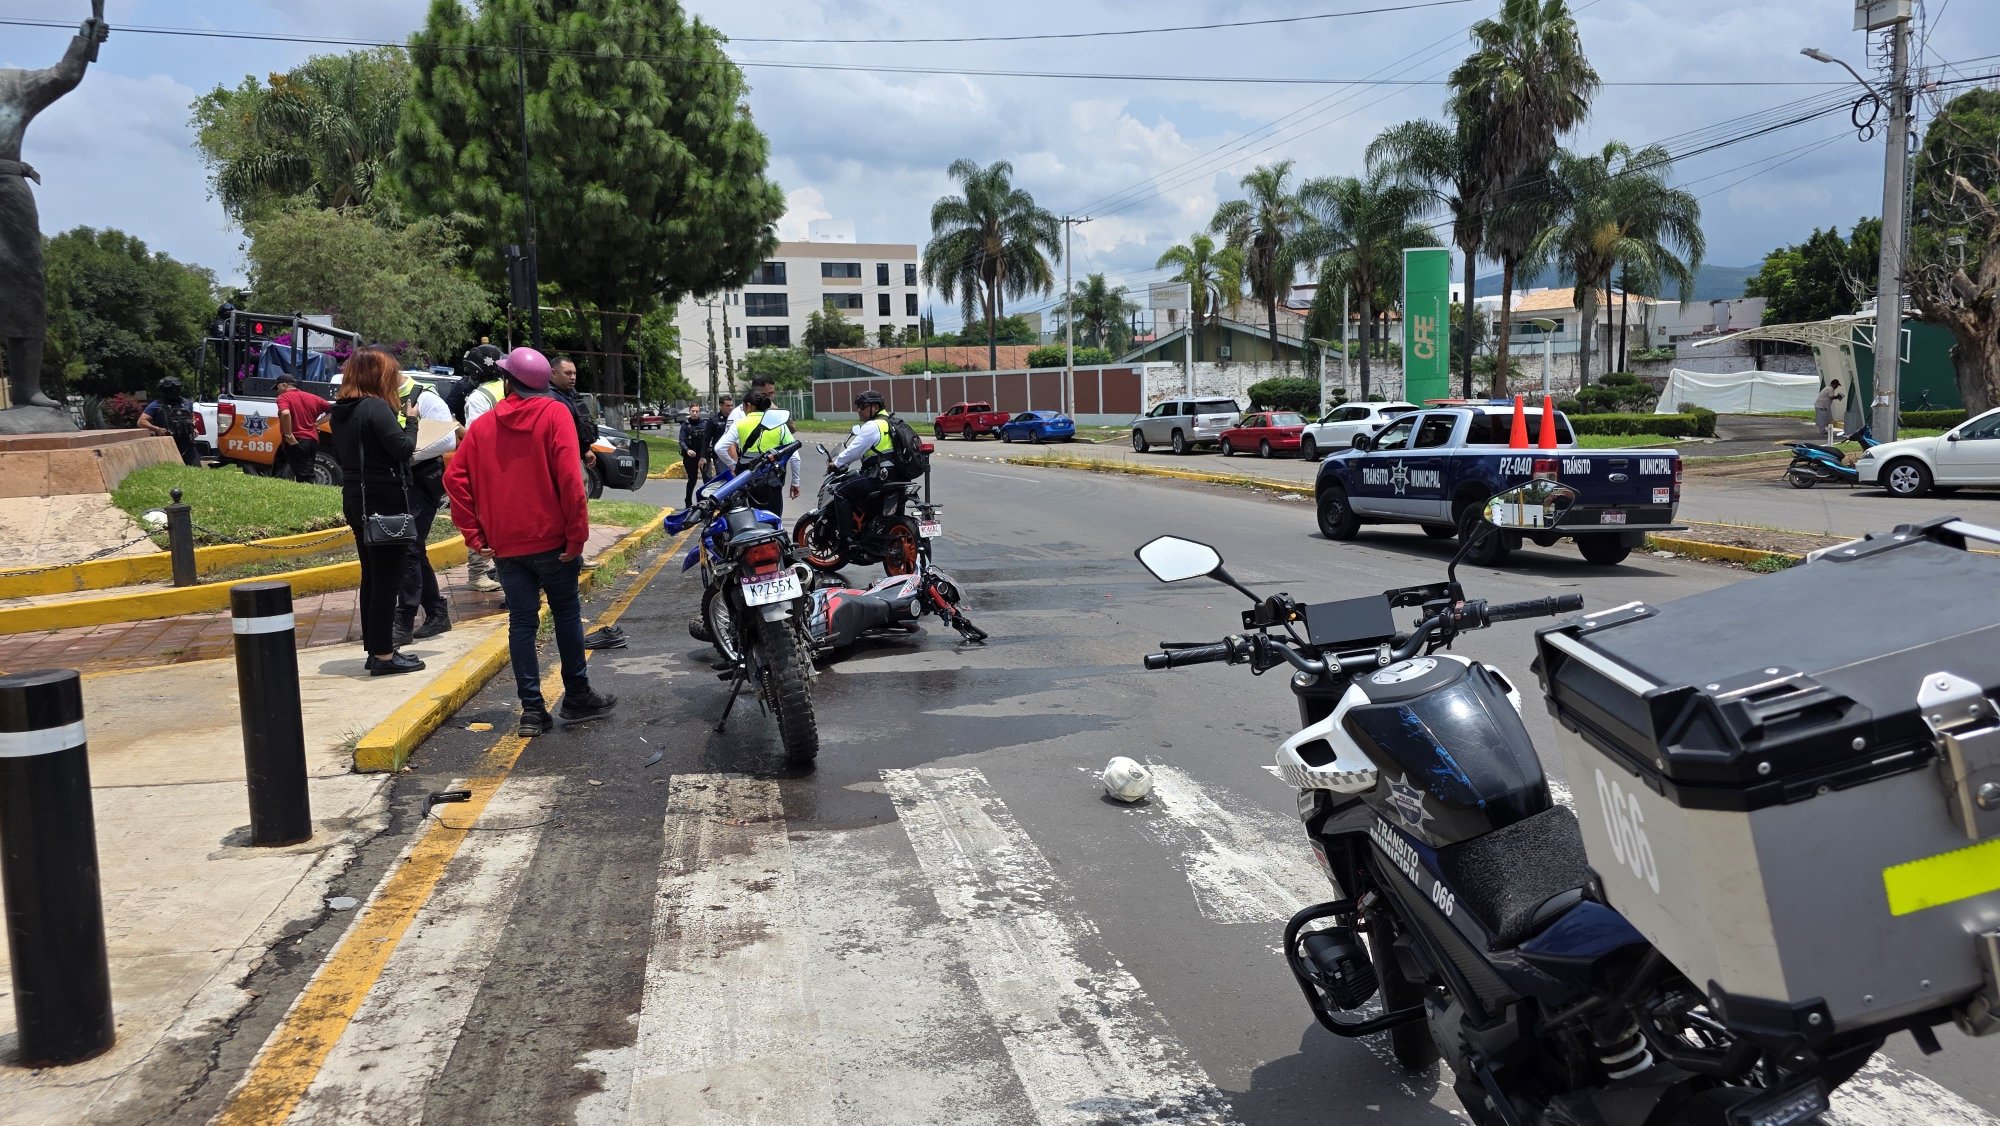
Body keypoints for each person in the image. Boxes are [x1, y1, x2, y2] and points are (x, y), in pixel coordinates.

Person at [444, 347, 616, 736]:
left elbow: (454, 479)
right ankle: (576, 695)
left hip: (507, 547)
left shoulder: (485, 425)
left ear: (509, 382)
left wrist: (476, 534)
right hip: (553, 540)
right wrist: (577, 536)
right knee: (566, 614)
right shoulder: (555, 414)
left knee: (522, 623)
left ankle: (532, 712)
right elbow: (572, 481)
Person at [329, 347, 424, 676]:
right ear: (376, 375)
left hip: (357, 496)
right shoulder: (375, 408)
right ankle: (384, 654)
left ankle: (376, 648)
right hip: (383, 499)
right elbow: (402, 449)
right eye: (390, 373)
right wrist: (411, 422)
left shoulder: (342, 410)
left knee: (372, 576)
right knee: (387, 579)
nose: (395, 380)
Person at [394, 373, 458, 647]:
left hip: (422, 484)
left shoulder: (426, 398)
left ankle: (420, 614)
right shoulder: (384, 397)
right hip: (400, 483)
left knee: (410, 546)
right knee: (411, 548)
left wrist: (409, 454)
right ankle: (435, 611)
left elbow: (448, 440)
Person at [454, 345, 508, 592]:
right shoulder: (510, 387)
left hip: (489, 465)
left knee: (482, 517)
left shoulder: (479, 396)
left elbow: (476, 435)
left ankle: (478, 573)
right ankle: (491, 571)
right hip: (510, 463)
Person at [712, 389, 800, 516]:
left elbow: (719, 448)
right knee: (774, 521)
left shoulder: (740, 423)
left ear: (749, 405)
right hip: (771, 479)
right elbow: (795, 456)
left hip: (747, 480)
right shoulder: (779, 424)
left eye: (743, 406)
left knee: (748, 519)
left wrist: (734, 466)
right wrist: (795, 482)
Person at [826, 390, 894, 535]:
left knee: (840, 492)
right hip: (898, 477)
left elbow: (854, 450)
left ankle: (846, 540)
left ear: (875, 407)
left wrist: (836, 463)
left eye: (862, 406)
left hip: (879, 478)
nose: (858, 410)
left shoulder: (873, 426)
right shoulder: (892, 423)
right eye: (858, 406)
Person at [547, 353, 600, 477]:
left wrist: (585, 449)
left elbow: (578, 424)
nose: (573, 377)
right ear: (553, 373)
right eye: (568, 373)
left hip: (576, 454)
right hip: (562, 458)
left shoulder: (569, 393)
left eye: (575, 373)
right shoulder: (550, 397)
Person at [274, 375, 332, 482]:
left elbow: (286, 413)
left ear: (284, 385)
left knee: (305, 476)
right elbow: (334, 410)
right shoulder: (313, 397)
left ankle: (312, 495)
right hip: (312, 440)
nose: (277, 391)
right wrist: (317, 423)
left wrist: (288, 435)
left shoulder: (284, 397)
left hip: (296, 440)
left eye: (277, 388)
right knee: (305, 469)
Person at [139, 376, 200, 465]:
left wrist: (194, 427)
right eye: (171, 389)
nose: (174, 391)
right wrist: (157, 429)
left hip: (187, 442)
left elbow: (192, 416)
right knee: (171, 467)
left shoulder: (186, 403)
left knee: (196, 468)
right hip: (166, 442)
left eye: (176, 388)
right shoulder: (156, 405)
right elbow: (141, 421)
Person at [677, 403, 709, 508]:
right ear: (690, 412)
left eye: (697, 411)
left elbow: (708, 439)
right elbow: (681, 441)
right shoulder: (685, 425)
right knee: (692, 479)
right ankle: (688, 501)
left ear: (699, 412)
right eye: (693, 411)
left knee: (707, 479)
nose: (695, 413)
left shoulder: (704, 424)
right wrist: (687, 450)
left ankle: (706, 501)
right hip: (690, 456)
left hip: (703, 455)